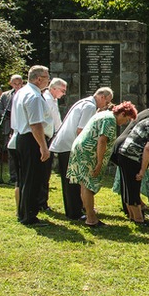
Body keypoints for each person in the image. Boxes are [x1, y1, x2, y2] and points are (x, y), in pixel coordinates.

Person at [68, 101, 136, 228]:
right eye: (126, 119)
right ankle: (91, 219)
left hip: (80, 149)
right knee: (89, 184)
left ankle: (89, 213)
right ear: (122, 114)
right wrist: (99, 163)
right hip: (89, 154)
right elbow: (102, 140)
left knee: (84, 183)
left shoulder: (104, 114)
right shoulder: (110, 120)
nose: (125, 123)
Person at [49, 87, 113, 220]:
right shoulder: (90, 106)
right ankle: (75, 213)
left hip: (65, 144)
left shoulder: (85, 102)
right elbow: (81, 130)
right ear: (102, 97)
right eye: (107, 102)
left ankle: (78, 208)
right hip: (69, 145)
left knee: (72, 180)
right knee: (73, 181)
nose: (107, 106)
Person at [111, 99, 149, 210]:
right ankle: (135, 211)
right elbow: (147, 146)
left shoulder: (147, 113)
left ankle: (132, 208)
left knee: (128, 181)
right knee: (132, 182)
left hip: (123, 147)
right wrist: (143, 168)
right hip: (128, 150)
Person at [12, 66, 51, 226]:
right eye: (47, 77)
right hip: (31, 139)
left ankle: (23, 211)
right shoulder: (34, 96)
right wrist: (43, 146)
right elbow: (35, 124)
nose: (48, 80)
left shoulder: (23, 91)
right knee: (33, 178)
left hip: (22, 137)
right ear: (38, 79)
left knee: (25, 178)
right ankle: (29, 215)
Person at [39, 77, 67, 211]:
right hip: (47, 136)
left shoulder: (53, 99)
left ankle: (42, 201)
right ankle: (41, 202)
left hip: (51, 135)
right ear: (53, 89)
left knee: (46, 171)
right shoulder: (47, 99)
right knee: (43, 172)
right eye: (62, 90)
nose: (64, 94)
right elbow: (54, 121)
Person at [0, 75, 24, 183]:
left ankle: (22, 174)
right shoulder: (5, 95)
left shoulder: (25, 94)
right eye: (15, 84)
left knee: (21, 151)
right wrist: (5, 114)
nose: (17, 86)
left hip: (21, 126)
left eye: (19, 83)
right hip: (8, 126)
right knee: (10, 152)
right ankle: (13, 175)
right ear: (10, 83)